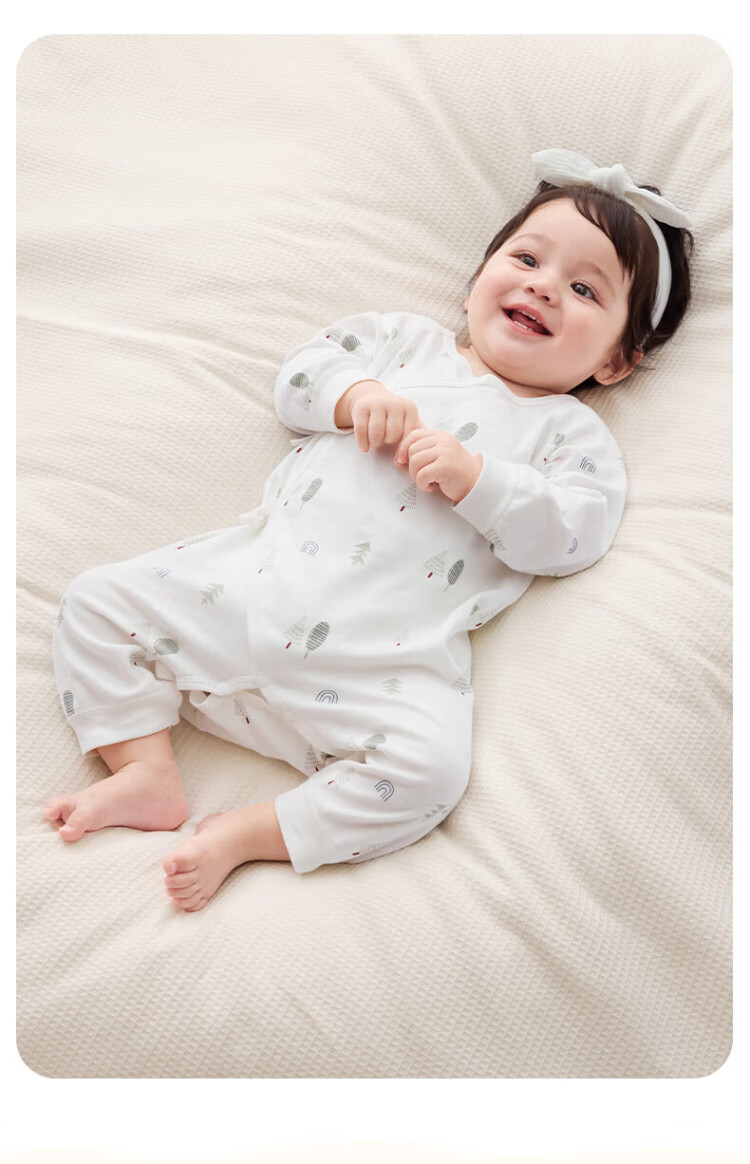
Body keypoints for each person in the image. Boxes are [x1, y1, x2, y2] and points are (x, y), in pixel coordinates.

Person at [45, 149, 694, 910]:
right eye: (526, 259)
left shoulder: (570, 436)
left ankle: (251, 833)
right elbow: (299, 375)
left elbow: (574, 537)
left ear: (616, 362)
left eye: (584, 289)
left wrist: (481, 481)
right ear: (478, 276)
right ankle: (144, 770)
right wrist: (353, 396)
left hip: (382, 661)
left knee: (430, 776)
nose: (543, 286)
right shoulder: (401, 346)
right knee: (95, 602)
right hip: (250, 586)